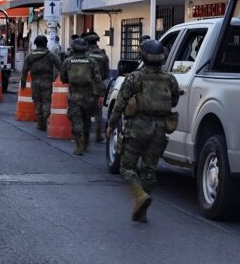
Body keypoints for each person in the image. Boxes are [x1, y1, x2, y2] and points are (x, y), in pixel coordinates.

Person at [106, 40, 179, 223]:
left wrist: (111, 124)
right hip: (159, 130)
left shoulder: (134, 78)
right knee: (149, 170)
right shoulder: (170, 79)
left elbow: (120, 102)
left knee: (126, 167)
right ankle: (142, 211)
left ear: (143, 57)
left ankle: (139, 196)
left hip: (137, 129)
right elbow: (174, 101)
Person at [60, 38, 101, 155]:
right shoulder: (92, 62)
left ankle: (79, 145)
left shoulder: (68, 61)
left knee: (76, 121)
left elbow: (63, 78)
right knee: (87, 120)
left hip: (74, 96)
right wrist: (100, 95)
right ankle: (86, 141)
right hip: (89, 96)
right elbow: (97, 79)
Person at [21, 35, 62, 131]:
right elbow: (60, 66)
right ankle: (45, 117)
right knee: (47, 102)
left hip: (35, 82)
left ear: (36, 44)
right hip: (47, 82)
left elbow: (25, 70)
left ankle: (40, 122)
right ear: (45, 43)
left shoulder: (30, 55)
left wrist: (23, 82)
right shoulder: (50, 55)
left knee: (37, 102)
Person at [84, 32, 111, 143]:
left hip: (85, 86)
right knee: (98, 111)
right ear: (96, 42)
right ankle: (98, 135)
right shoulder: (103, 55)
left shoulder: (84, 54)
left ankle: (84, 135)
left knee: (85, 110)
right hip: (99, 86)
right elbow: (106, 73)